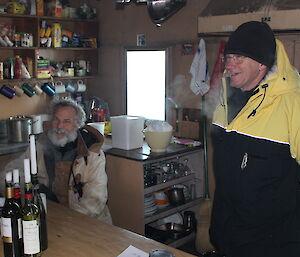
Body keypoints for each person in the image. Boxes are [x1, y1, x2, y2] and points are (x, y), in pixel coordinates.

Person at [209, 21, 300, 257]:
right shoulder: (224, 98)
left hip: (272, 245)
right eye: (228, 57)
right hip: (227, 238)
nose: (230, 64)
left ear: (262, 63)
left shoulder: (293, 102)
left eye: (239, 57)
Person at [4, 97, 112, 224]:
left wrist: (66, 220)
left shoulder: (92, 153)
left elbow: (94, 202)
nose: (60, 126)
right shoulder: (40, 146)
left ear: (77, 125)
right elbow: (8, 174)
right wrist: (32, 191)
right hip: (50, 218)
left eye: (67, 121)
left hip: (89, 223)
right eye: (56, 120)